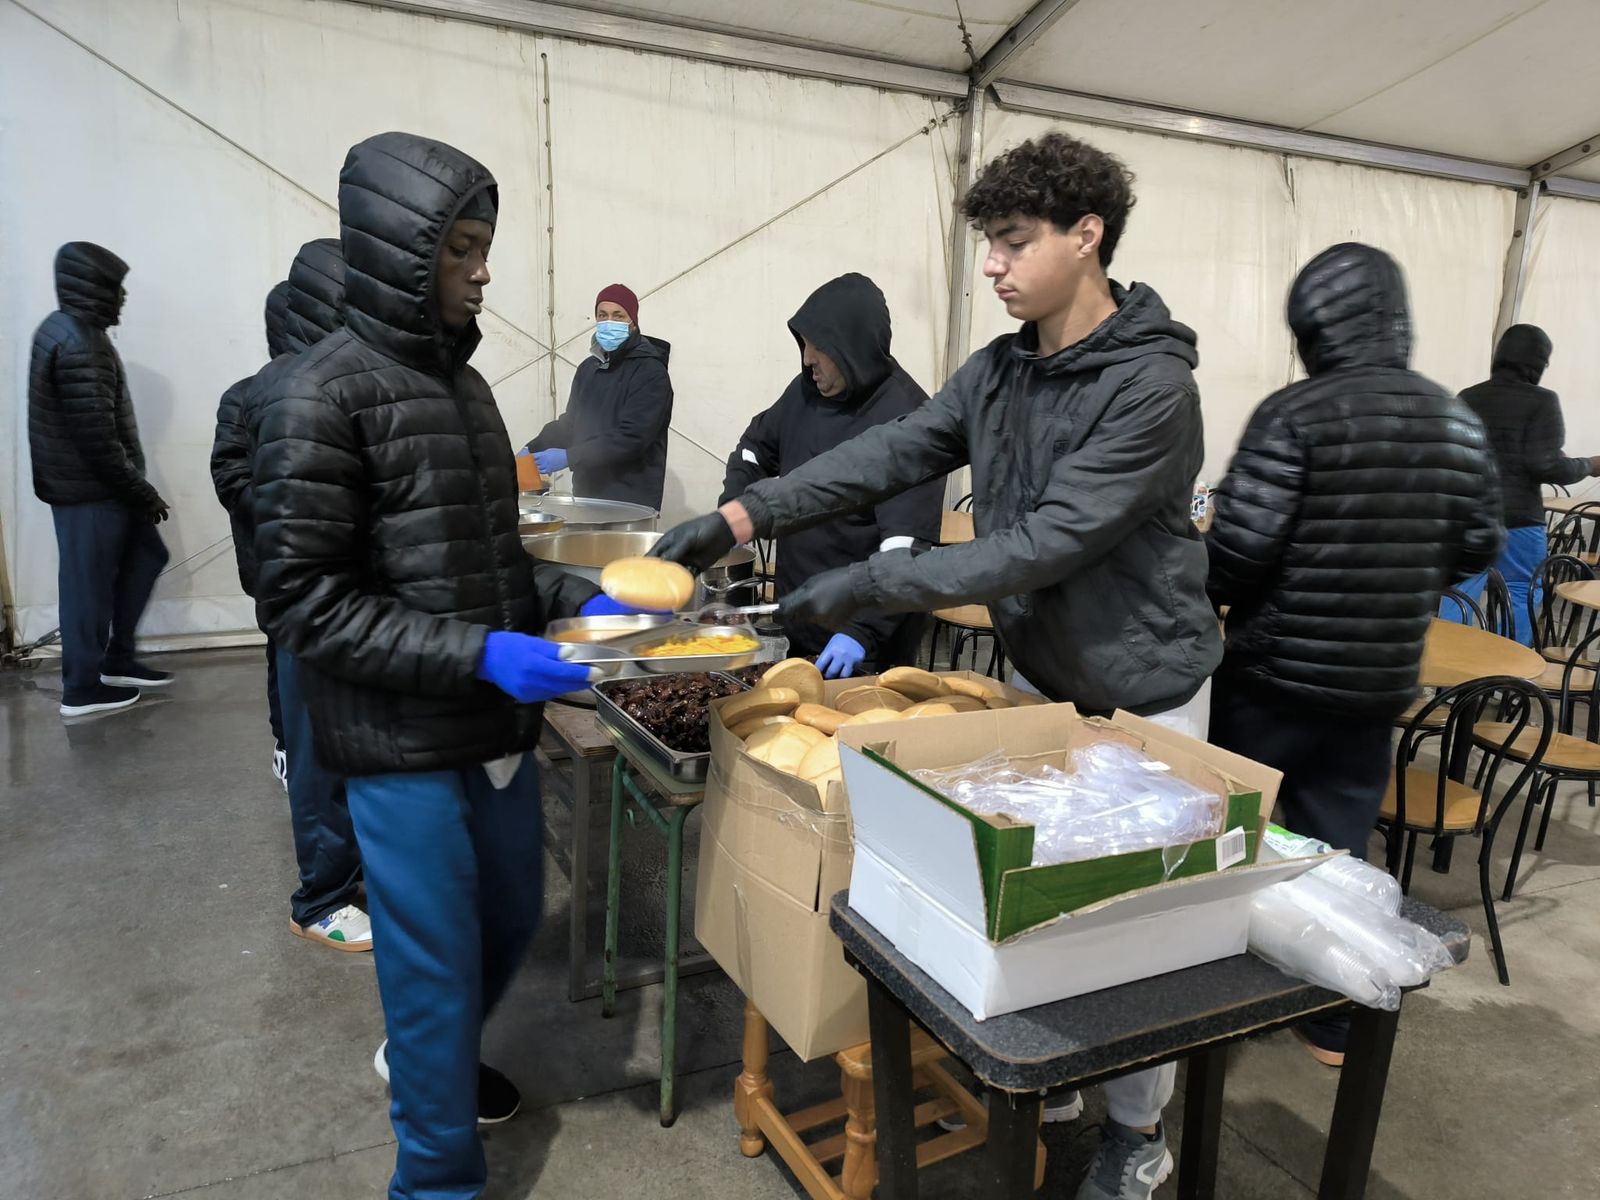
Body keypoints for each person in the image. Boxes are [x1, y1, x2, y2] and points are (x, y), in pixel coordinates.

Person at [652, 131, 1220, 1200]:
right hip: (1047, 675)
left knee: (1134, 920)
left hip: (1143, 688)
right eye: (988, 244)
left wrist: (869, 582)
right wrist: (739, 516)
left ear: (1086, 235)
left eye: (1014, 241)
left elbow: (1045, 541)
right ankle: (1058, 1082)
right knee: (1040, 902)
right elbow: (893, 449)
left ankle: (1136, 1132)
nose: (993, 265)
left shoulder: (1151, 388)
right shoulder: (1001, 370)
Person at [253, 131, 627, 1199]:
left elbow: (494, 561)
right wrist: (480, 654)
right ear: (399, 253)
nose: (482, 270)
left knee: (509, 921)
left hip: (489, 732)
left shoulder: (465, 391)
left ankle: (432, 1057)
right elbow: (303, 601)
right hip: (400, 741)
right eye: (461, 249)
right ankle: (433, 1179)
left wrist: (573, 603)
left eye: (483, 246)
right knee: (431, 974)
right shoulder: (316, 398)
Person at [1206, 243, 1502, 1066]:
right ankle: (1334, 1022)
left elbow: (1237, 554)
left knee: (1234, 839)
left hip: (1270, 677)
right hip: (1378, 682)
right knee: (1339, 847)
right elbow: (1478, 544)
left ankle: (1217, 997)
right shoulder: (1456, 421)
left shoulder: (1294, 414)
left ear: (1311, 325)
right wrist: (1400, 578)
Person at [213, 238, 370, 952]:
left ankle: (349, 870)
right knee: (315, 752)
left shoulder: (349, 386)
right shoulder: (258, 397)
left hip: (347, 600)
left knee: (340, 743)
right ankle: (321, 900)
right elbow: (238, 484)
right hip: (304, 598)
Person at [719, 273, 941, 677]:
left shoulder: (909, 419)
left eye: (819, 347)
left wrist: (862, 632)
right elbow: (754, 448)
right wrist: (734, 508)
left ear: (852, 349)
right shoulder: (805, 391)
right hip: (798, 619)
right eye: (804, 344)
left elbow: (905, 551)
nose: (807, 359)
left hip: (866, 645)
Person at [28, 241, 174, 717]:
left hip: (98, 488)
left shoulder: (71, 330)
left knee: (147, 556)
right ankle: (81, 688)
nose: (123, 297)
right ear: (94, 287)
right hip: (91, 492)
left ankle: (117, 659)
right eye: (117, 287)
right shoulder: (81, 344)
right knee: (86, 588)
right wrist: (142, 491)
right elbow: (97, 439)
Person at [1456, 323, 1599, 644]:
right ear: (1537, 363)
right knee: (1521, 590)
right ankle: (1504, 668)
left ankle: (1447, 670)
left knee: (1461, 591)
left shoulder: (1468, 397)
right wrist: (1589, 465)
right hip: (1519, 521)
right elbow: (1545, 465)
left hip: (1468, 516)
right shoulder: (1542, 401)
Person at [521, 283, 673, 509]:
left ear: (633, 322)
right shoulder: (589, 368)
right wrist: (533, 448)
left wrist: (569, 457)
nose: (609, 321)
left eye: (618, 315)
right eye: (602, 315)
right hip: (587, 493)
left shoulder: (650, 372)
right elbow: (571, 424)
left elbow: (632, 438)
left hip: (630, 500)